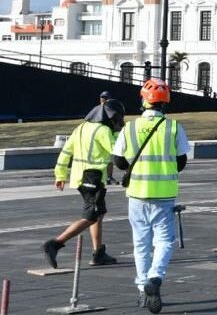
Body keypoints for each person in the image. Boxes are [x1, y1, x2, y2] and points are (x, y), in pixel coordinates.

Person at [112, 80, 190, 313]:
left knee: (141, 243)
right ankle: (155, 278)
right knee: (164, 241)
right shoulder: (174, 127)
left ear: (143, 101)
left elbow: (117, 160)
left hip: (136, 193)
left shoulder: (129, 128)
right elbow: (181, 161)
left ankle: (141, 288)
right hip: (164, 194)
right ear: (165, 103)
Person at [43, 98, 127, 269]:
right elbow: (117, 151)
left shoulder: (80, 128)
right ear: (112, 118)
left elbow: (66, 152)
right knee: (90, 216)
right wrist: (120, 134)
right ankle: (55, 244)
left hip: (80, 178)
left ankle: (98, 253)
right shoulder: (103, 130)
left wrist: (59, 174)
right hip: (92, 178)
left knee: (98, 214)